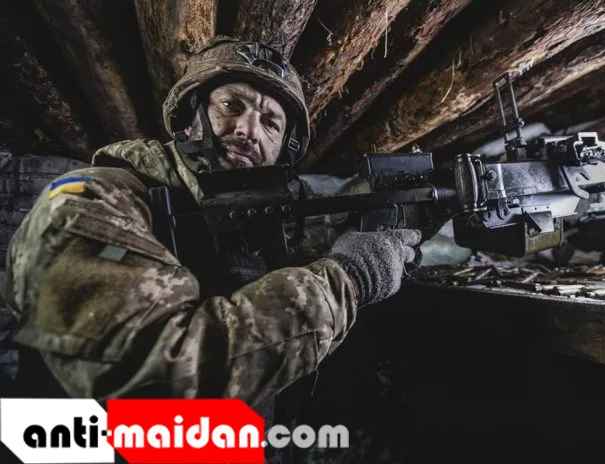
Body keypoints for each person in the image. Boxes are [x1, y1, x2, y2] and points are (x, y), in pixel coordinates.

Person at [0, 36, 420, 420]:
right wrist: (348, 279)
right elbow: (162, 378)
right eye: (231, 106)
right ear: (189, 117)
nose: (247, 131)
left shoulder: (244, 225)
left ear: (284, 150)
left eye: (271, 123)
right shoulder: (90, 201)